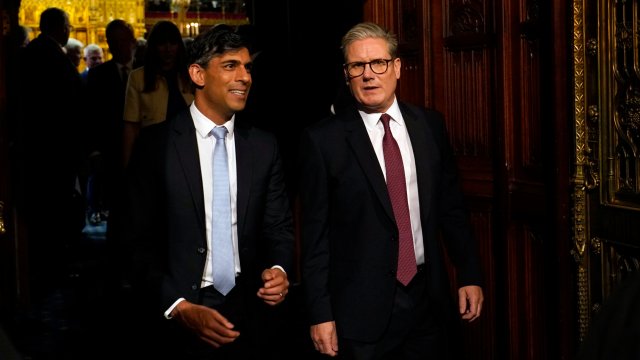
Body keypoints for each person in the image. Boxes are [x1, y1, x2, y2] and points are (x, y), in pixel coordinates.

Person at [298, 22, 484, 359]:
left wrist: (469, 273)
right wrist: (320, 312)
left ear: (396, 67)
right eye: (357, 66)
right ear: (346, 74)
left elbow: (451, 208)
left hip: (428, 302)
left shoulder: (429, 125)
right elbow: (314, 237)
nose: (369, 74)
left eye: (378, 63)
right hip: (360, 315)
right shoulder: (323, 141)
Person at [120, 24, 295, 359]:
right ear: (198, 74)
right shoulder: (157, 146)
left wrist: (280, 270)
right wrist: (179, 306)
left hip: (251, 310)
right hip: (179, 314)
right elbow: (135, 241)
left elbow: (278, 228)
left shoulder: (262, 145)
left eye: (248, 67)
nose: (245, 77)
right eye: (231, 66)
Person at [122, 20, 194, 166]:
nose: (168, 49)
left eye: (172, 43)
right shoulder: (138, 77)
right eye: (162, 44)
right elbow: (131, 125)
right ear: (154, 47)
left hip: (188, 149)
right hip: (153, 151)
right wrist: (126, 165)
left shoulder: (191, 75)